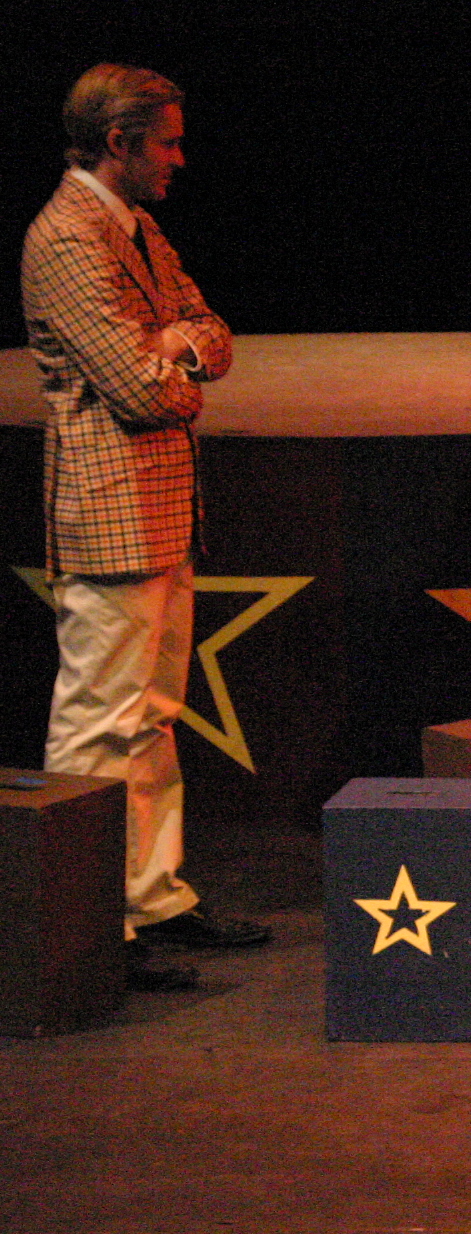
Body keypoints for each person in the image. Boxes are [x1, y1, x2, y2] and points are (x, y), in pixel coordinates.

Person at [23, 64, 270, 992]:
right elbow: (141, 388)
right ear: (118, 143)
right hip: (110, 510)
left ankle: (152, 896)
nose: (179, 157)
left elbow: (213, 332)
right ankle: (91, 928)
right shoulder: (67, 236)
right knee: (99, 725)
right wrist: (169, 354)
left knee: (154, 716)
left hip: (160, 507)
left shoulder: (137, 226)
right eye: (165, 142)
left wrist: (176, 342)